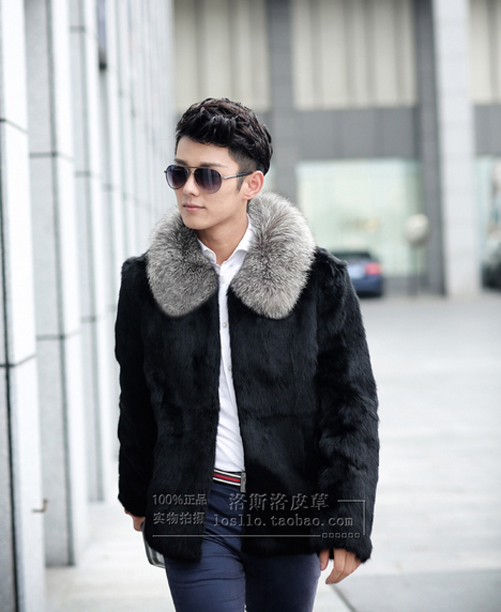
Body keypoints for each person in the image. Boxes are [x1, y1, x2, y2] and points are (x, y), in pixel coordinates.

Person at [114, 97, 379, 612]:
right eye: (179, 173)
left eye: (208, 176)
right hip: (193, 502)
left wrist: (348, 518)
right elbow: (137, 395)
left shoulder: (318, 280)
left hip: (288, 504)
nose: (189, 189)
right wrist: (139, 490)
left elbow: (351, 406)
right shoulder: (145, 282)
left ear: (251, 184)